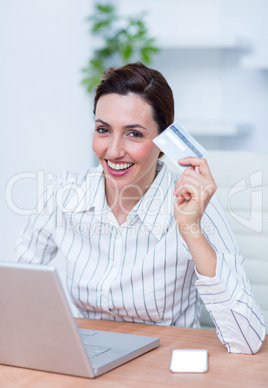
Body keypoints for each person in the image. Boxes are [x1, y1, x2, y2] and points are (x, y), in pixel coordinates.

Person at [11, 62, 265, 354]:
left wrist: (190, 228)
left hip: (164, 369)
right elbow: (13, 292)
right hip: (88, 358)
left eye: (134, 134)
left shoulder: (196, 205)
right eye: (103, 130)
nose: (114, 150)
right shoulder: (63, 195)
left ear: (164, 143)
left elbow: (247, 341)